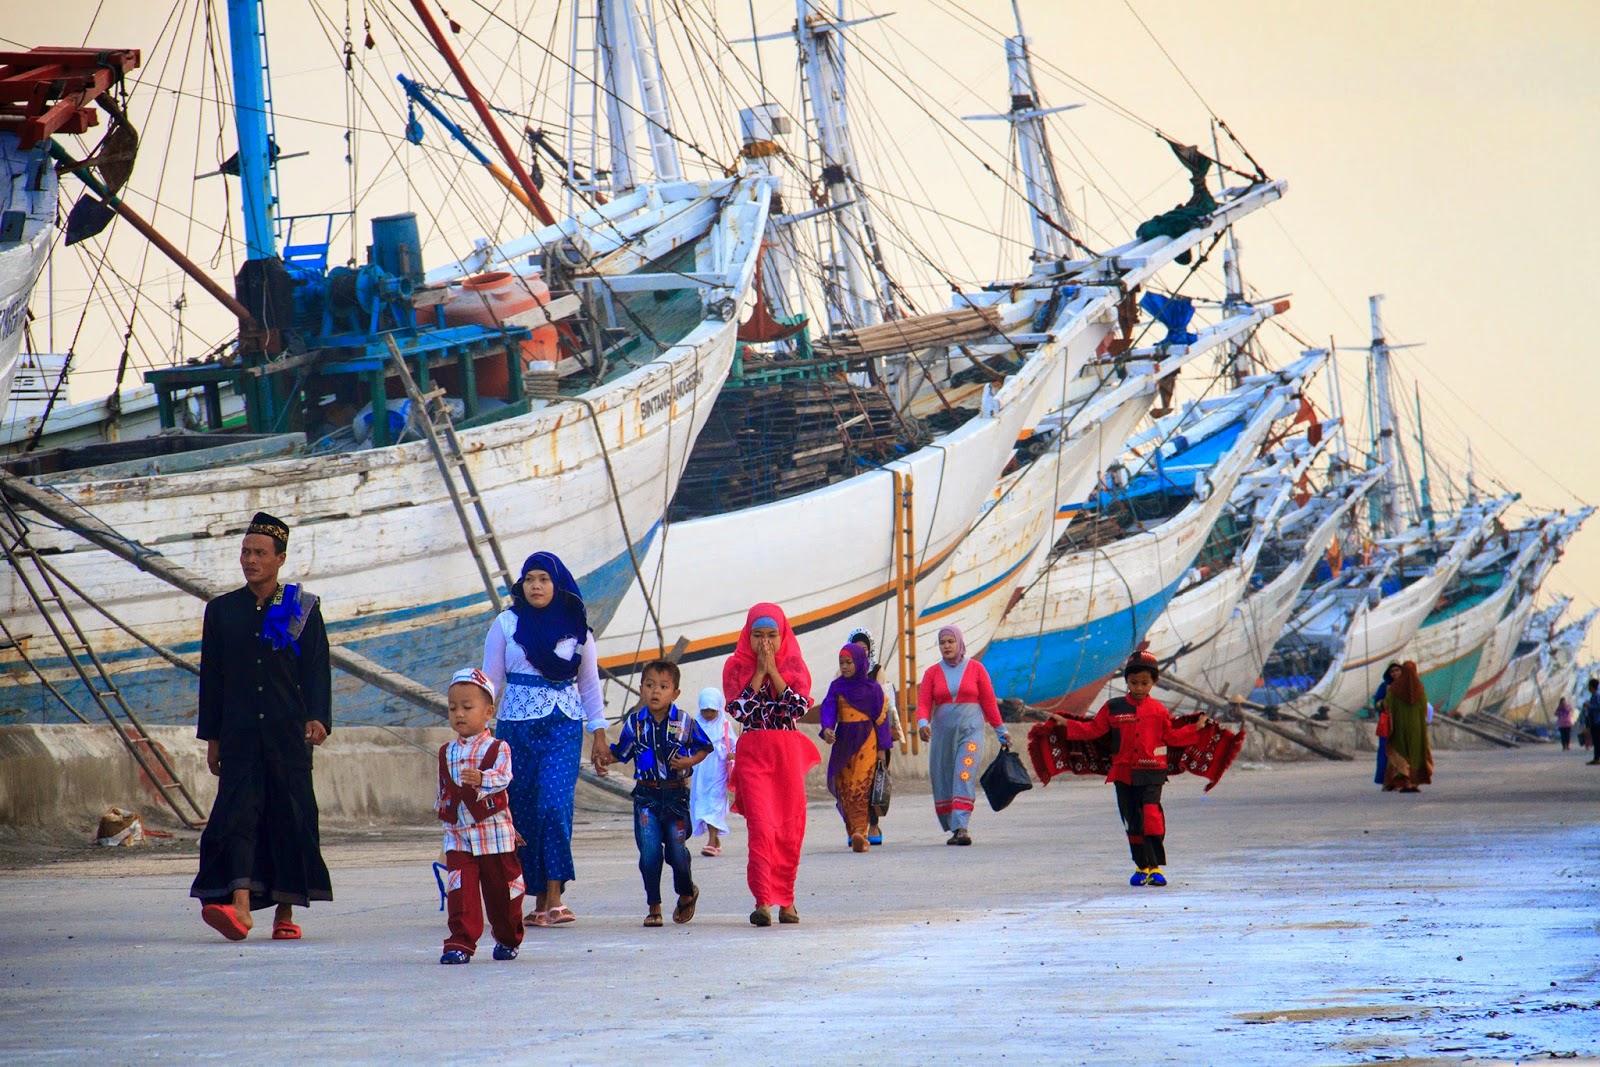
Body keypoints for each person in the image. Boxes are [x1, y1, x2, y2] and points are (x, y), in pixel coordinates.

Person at [191, 511, 332, 942]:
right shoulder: (221, 612)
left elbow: (315, 668)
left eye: (259, 553)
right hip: (238, 735)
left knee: (289, 818)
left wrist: (318, 717)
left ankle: (285, 912)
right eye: (245, 552)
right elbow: (212, 679)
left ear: (280, 558)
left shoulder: (301, 609)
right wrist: (212, 738)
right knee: (237, 816)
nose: (250, 560)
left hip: (286, 733)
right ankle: (239, 907)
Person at [482, 552, 609, 927]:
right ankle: (531, 897)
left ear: (558, 583)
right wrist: (478, 731)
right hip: (516, 727)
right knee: (521, 811)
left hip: (563, 725)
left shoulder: (578, 629)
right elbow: (491, 681)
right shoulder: (505, 624)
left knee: (553, 807)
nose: (536, 586)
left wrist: (599, 734)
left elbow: (588, 685)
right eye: (530, 579)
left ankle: (553, 896)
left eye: (544, 579)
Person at [1047, 650, 1210, 887]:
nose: (1139, 688)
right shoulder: (1113, 707)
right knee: (1132, 822)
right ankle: (1141, 866)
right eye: (1134, 683)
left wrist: (1197, 729)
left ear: (1154, 682)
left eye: (1145, 683)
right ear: (1127, 681)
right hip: (1123, 773)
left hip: (1153, 772)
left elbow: (1171, 736)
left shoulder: (1158, 711)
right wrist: (1066, 724)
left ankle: (1155, 868)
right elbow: (1093, 730)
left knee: (1151, 818)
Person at [724, 603, 819, 927]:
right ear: (747, 636)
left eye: (772, 636)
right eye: (758, 636)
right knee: (762, 827)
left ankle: (787, 900)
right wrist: (758, 675)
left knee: (790, 829)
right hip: (754, 752)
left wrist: (774, 672)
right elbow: (739, 711)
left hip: (786, 754)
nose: (765, 644)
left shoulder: (794, 666)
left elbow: (796, 707)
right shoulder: (736, 667)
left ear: (783, 636)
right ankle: (763, 900)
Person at [598, 660, 712, 927]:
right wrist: (605, 759)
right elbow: (621, 753)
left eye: (663, 686)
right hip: (646, 798)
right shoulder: (634, 723)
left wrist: (688, 763)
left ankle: (686, 892)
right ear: (641, 689)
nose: (655, 692)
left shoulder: (684, 721)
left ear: (675, 693)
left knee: (676, 852)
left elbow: (705, 747)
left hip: (675, 797)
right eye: (649, 685)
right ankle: (654, 907)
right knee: (649, 854)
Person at [436, 668, 524, 965]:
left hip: (494, 835)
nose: (459, 714)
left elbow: (504, 777)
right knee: (460, 889)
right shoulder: (446, 751)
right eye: (452, 708)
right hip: (460, 834)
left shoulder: (499, 748)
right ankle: (460, 942)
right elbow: (444, 787)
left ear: (488, 712)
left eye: (467, 707)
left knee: (503, 893)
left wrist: (482, 779)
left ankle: (508, 936)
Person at [916, 624, 1008, 845]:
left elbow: (988, 701)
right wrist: (922, 723)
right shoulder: (932, 673)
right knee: (944, 778)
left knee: (964, 774)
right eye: (942, 642)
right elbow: (924, 702)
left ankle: (962, 826)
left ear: (959, 642)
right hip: (942, 736)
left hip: (971, 733)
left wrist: (1001, 730)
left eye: (950, 641)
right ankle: (954, 826)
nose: (946, 646)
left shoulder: (976, 669)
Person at [819, 643, 894, 852]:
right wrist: (827, 729)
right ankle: (854, 831)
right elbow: (829, 708)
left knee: (860, 786)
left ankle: (861, 830)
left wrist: (882, 749)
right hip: (843, 740)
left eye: (849, 662)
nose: (844, 667)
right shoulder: (836, 687)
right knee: (844, 786)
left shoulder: (872, 689)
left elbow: (881, 720)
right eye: (841, 663)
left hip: (866, 741)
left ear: (860, 662)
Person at [847, 627, 902, 846]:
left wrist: (883, 742)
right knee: (852, 784)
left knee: (872, 782)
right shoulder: (843, 671)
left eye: (863, 649)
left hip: (873, 734)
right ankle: (856, 828)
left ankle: (873, 824)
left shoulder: (877, 671)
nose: (859, 653)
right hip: (850, 738)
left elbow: (883, 706)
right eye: (856, 649)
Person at [690, 686, 737, 857]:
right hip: (700, 771)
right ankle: (714, 839)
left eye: (712, 711)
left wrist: (733, 753)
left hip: (718, 770)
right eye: (705, 710)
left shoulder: (724, 725)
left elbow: (734, 744)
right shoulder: (695, 725)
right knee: (702, 801)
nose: (708, 714)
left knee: (714, 802)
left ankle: (711, 840)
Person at [1382, 660, 1433, 792]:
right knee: (1415, 753)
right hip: (1417, 728)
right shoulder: (1420, 689)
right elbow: (1425, 709)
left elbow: (1386, 706)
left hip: (1399, 727)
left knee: (1400, 753)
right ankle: (1414, 782)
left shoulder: (1393, 690)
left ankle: (1405, 782)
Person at [1372, 662, 1401, 787]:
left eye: (1397, 670)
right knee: (1386, 752)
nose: (1395, 673)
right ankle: (1386, 780)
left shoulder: (1409, 686)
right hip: (1388, 724)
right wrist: (1387, 698)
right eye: (1392, 671)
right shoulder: (1384, 687)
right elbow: (1377, 704)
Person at [1584, 679, 1600, 765]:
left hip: (1597, 720)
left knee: (1597, 740)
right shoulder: (1593, 696)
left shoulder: (1596, 696)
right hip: (1594, 720)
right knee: (1595, 740)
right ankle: (1596, 757)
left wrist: (1589, 705)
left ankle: (1597, 758)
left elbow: (1598, 706)